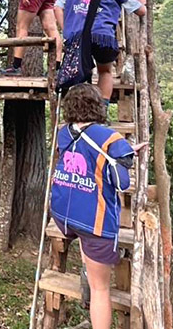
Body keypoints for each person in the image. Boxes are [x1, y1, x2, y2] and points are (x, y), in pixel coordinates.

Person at [49, 83, 147, 329]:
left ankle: (88, 271)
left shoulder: (63, 132)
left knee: (88, 251)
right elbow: (122, 180)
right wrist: (127, 154)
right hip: (95, 221)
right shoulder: (109, 137)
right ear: (98, 106)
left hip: (66, 214)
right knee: (101, 289)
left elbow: (88, 153)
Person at [54, 0, 146, 99]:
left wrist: (66, 28)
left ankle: (78, 110)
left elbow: (57, 6)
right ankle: (102, 110)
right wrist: (141, 3)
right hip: (103, 35)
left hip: (77, 37)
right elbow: (141, 11)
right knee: (105, 72)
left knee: (77, 71)